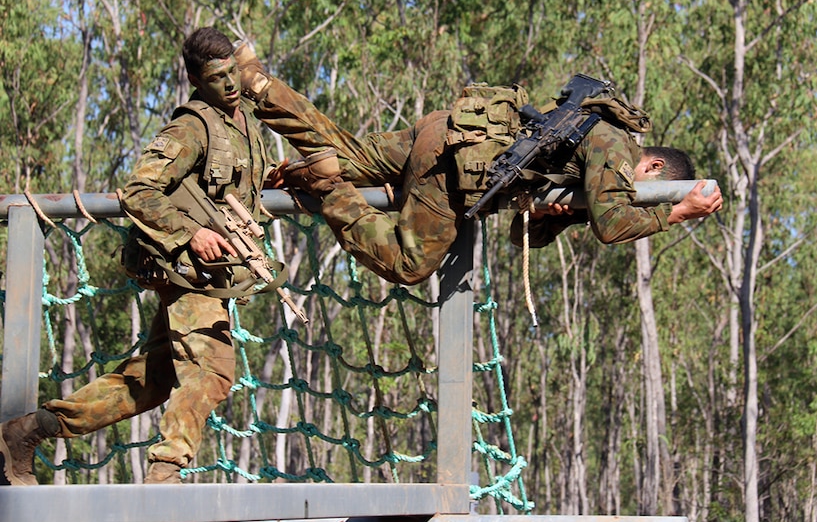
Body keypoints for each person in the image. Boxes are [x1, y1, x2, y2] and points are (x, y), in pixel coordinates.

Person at [0, 27, 290, 486]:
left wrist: (276, 179)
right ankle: (166, 469)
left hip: (213, 274)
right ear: (197, 80)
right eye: (217, 77)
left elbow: (229, 184)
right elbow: (139, 189)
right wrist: (191, 233)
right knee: (211, 370)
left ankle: (28, 431)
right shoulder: (192, 126)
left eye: (233, 71)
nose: (231, 84)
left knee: (152, 380)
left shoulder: (243, 122)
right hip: (186, 271)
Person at [233, 44, 722, 285]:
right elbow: (614, 228)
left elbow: (518, 236)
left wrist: (544, 220)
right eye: (649, 189)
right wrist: (677, 213)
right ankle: (326, 187)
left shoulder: (596, 159)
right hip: (453, 166)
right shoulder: (615, 148)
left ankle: (256, 83)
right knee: (409, 262)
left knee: (344, 151)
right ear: (653, 167)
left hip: (448, 131)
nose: (631, 193)